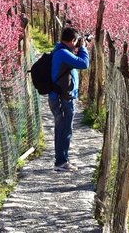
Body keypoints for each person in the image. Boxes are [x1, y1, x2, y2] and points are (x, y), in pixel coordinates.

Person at [49, 26, 89, 171]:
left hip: (59, 96)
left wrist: (77, 49)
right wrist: (83, 48)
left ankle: (60, 160)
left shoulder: (60, 50)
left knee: (61, 128)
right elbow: (84, 64)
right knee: (65, 129)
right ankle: (61, 162)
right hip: (63, 97)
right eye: (76, 41)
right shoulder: (63, 53)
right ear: (72, 40)